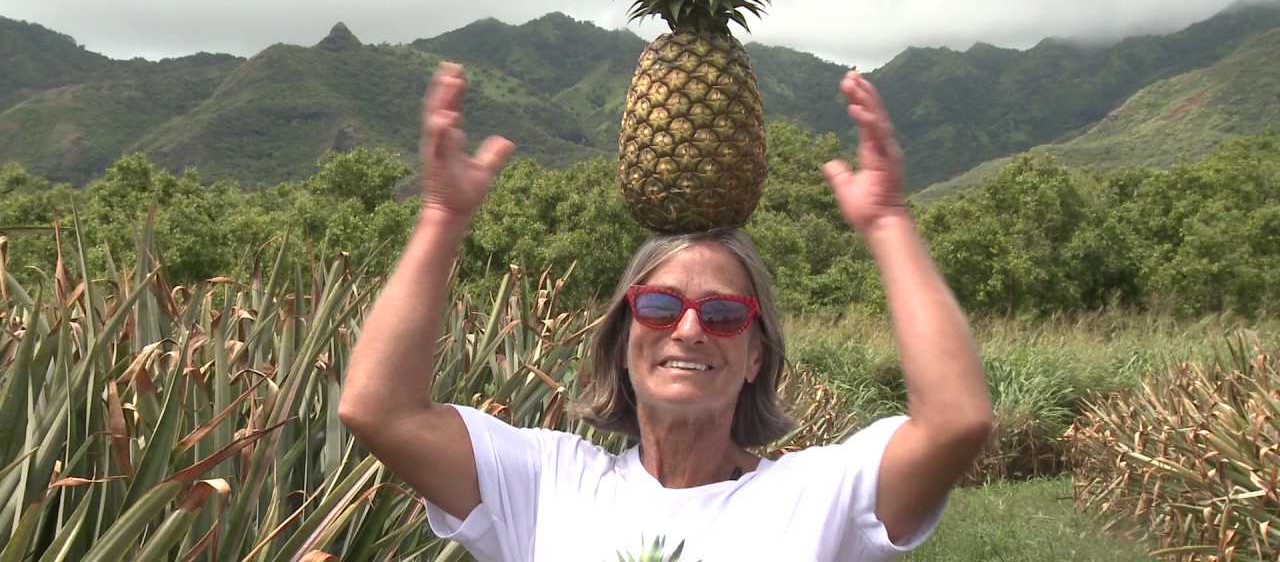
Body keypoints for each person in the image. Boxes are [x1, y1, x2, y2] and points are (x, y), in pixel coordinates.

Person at [339, 62, 993, 561]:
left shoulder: (821, 494)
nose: (688, 328)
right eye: (658, 305)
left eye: (725, 313)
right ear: (626, 336)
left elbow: (955, 421)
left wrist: (887, 224)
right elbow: (379, 411)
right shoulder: (545, 480)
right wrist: (442, 217)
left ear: (755, 353)